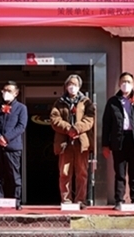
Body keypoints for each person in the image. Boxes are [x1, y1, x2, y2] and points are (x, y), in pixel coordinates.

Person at [102, 72, 134, 211]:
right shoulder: (112, 102)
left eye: (128, 82)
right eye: (123, 81)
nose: (126, 84)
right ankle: (119, 200)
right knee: (120, 173)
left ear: (133, 84)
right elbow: (106, 124)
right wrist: (105, 144)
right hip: (118, 140)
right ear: (119, 84)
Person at [50, 74, 95, 209]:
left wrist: (77, 129)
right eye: (69, 84)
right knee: (64, 173)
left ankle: (80, 200)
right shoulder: (59, 102)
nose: (72, 87)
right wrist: (68, 129)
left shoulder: (86, 102)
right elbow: (54, 119)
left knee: (82, 173)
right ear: (66, 86)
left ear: (79, 86)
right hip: (65, 143)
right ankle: (66, 200)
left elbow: (90, 119)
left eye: (74, 84)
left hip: (81, 143)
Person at [0, 81, 28, 210]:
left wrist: (6, 138)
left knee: (14, 175)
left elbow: (21, 126)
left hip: (13, 147)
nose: (6, 93)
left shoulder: (21, 108)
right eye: (4, 90)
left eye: (9, 91)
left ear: (16, 93)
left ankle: (16, 200)